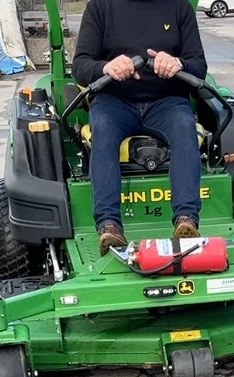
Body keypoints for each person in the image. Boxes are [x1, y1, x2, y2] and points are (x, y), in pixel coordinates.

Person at [72, 0, 209, 254]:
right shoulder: (100, 7)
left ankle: (186, 219)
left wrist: (178, 63)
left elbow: (199, 66)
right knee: (103, 127)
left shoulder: (179, 7)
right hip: (115, 101)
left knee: (184, 126)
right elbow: (80, 66)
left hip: (166, 102)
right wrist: (106, 67)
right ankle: (109, 225)